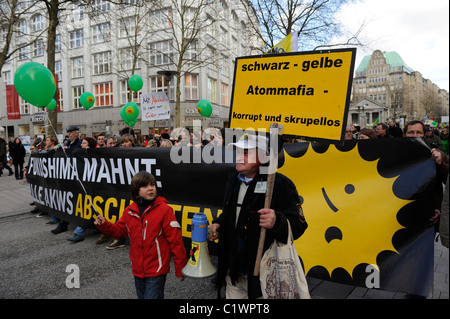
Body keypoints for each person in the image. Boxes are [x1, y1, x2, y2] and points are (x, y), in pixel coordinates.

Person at [208, 133, 308, 299]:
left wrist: (277, 221)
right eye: (238, 152)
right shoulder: (233, 180)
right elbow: (231, 214)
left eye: (246, 153)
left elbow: (299, 225)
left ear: (263, 156)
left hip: (264, 275)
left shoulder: (280, 184)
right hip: (233, 271)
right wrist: (219, 224)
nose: (239, 157)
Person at [94, 171, 187, 299]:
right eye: (145, 186)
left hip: (157, 271)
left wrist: (181, 266)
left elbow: (176, 241)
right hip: (138, 270)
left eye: (152, 185)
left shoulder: (165, 210)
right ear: (136, 190)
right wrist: (104, 224)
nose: (150, 188)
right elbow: (119, 232)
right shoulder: (129, 211)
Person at [52, 126, 82, 235]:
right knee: (65, 200)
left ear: (77, 133)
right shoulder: (67, 143)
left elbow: (78, 155)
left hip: (76, 176)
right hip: (67, 176)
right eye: (68, 132)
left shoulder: (79, 144)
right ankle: (63, 223)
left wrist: (68, 150)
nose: (69, 134)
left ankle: (74, 223)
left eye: (71, 132)